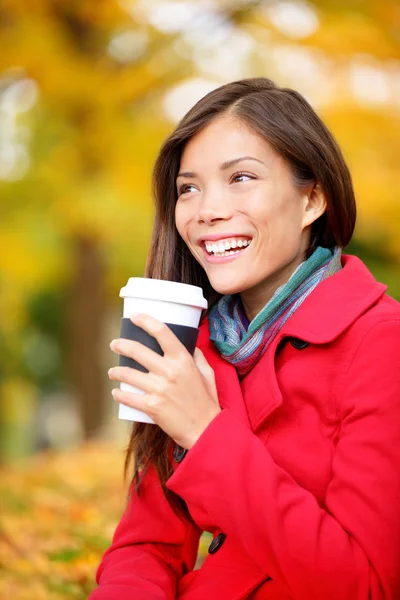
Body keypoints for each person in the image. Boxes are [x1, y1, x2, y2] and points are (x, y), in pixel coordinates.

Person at [88, 78, 400, 600]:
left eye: (241, 178)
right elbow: (147, 548)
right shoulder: (191, 345)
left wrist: (206, 433)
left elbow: (363, 586)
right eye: (189, 187)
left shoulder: (381, 345)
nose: (207, 209)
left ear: (312, 199)